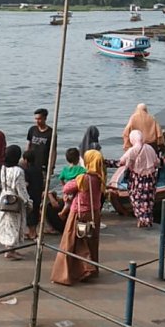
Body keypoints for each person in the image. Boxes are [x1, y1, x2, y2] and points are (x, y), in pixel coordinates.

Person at [51, 149, 104, 285]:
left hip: (79, 213)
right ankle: (90, 269)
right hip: (94, 213)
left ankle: (68, 273)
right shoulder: (100, 178)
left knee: (70, 242)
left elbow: (66, 188)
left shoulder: (83, 178)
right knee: (89, 241)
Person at [0, 145, 32, 260]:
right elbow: (21, 189)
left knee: (7, 225)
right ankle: (10, 251)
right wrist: (28, 202)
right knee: (14, 225)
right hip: (14, 199)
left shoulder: (1, 167)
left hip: (3, 197)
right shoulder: (18, 171)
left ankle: (9, 249)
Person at [120, 130, 159, 228]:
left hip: (138, 179)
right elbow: (157, 162)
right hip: (151, 178)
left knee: (137, 199)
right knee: (148, 200)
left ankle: (141, 219)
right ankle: (147, 220)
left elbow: (122, 161)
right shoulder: (150, 148)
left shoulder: (132, 150)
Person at [27, 108, 56, 176]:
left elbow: (53, 151)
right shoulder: (32, 130)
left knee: (43, 184)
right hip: (32, 164)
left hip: (44, 165)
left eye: (39, 119)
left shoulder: (51, 132)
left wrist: (52, 166)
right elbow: (28, 145)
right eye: (36, 119)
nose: (37, 121)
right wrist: (26, 160)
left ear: (45, 118)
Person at [22, 149, 43, 240]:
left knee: (30, 213)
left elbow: (26, 184)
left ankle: (32, 233)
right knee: (36, 211)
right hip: (38, 193)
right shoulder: (38, 169)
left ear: (26, 160)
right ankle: (33, 232)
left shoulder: (27, 171)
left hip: (30, 194)